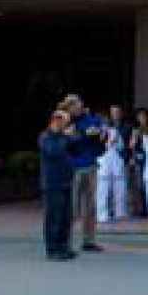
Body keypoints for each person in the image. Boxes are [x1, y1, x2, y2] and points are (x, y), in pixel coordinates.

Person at [63, 95, 107, 253]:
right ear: (69, 107)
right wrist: (83, 134)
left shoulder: (90, 118)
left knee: (90, 206)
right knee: (72, 206)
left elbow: (101, 130)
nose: (79, 107)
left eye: (80, 104)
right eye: (75, 105)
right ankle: (65, 241)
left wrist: (100, 131)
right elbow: (65, 141)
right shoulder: (66, 121)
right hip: (74, 167)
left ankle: (89, 240)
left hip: (91, 165)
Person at [37, 110, 77, 264]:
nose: (65, 125)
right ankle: (52, 248)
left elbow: (76, 143)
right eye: (63, 122)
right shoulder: (45, 137)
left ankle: (63, 246)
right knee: (54, 217)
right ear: (55, 121)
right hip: (52, 183)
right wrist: (66, 137)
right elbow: (55, 151)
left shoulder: (63, 137)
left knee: (65, 217)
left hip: (66, 181)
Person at [95, 112, 129, 224]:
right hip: (103, 163)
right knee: (102, 191)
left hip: (115, 162)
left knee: (120, 189)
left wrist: (115, 142)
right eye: (103, 122)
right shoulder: (96, 132)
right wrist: (103, 137)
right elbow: (95, 147)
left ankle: (120, 212)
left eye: (106, 122)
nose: (105, 123)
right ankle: (102, 214)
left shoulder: (115, 132)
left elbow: (121, 146)